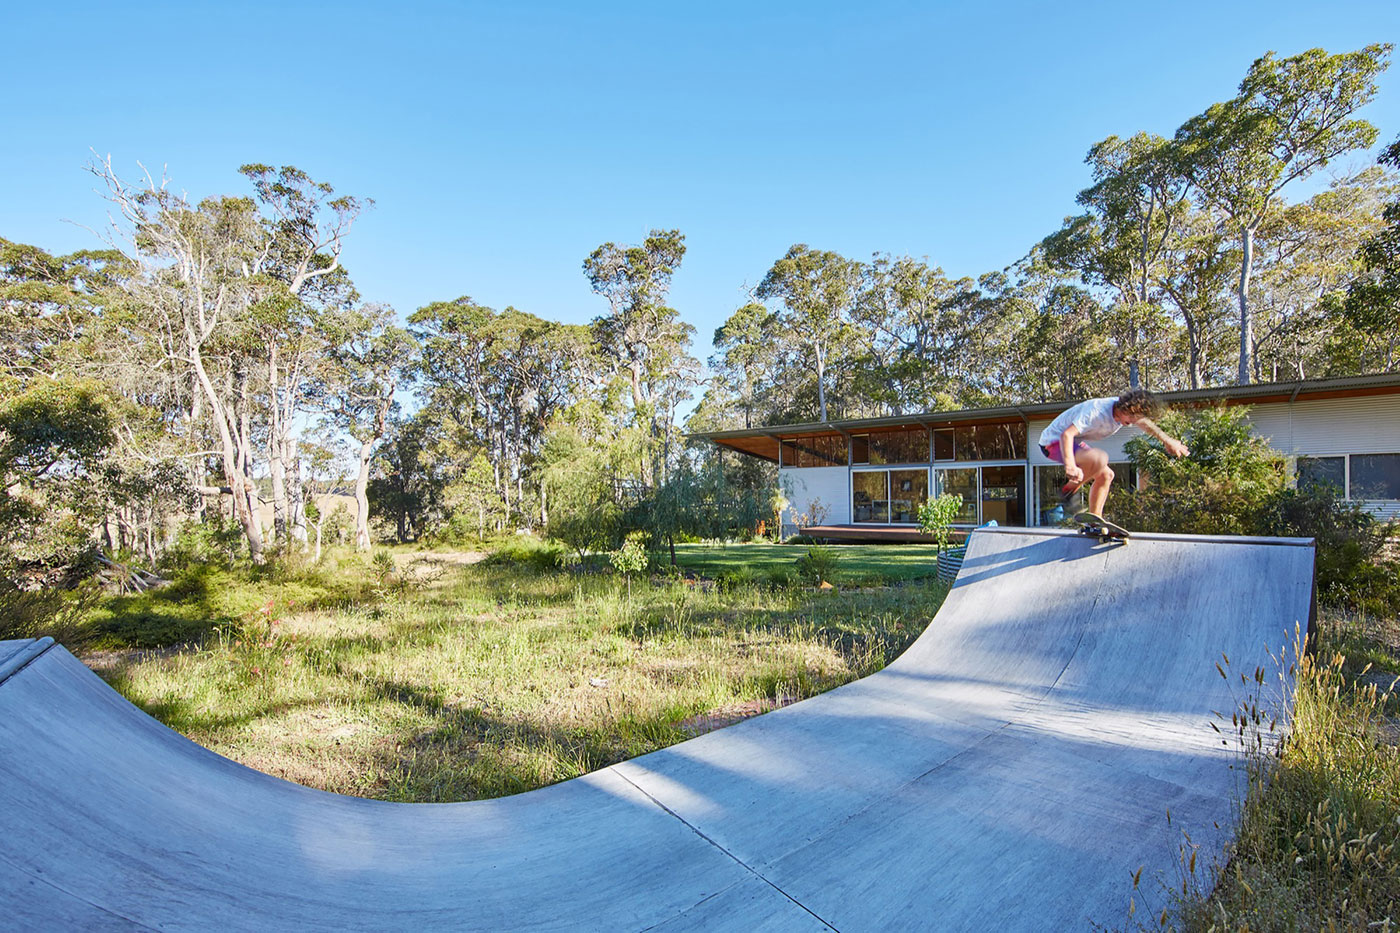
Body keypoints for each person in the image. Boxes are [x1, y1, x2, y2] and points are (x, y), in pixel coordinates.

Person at [1038, 389, 1189, 522]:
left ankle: (1095, 520)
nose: (1131, 423)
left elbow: (1146, 424)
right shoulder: (1096, 411)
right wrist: (1070, 466)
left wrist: (1167, 440)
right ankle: (1068, 491)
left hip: (1073, 442)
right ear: (1126, 408)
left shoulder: (1125, 412)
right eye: (1131, 419)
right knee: (1100, 458)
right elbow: (1067, 434)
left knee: (1106, 475)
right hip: (1053, 442)